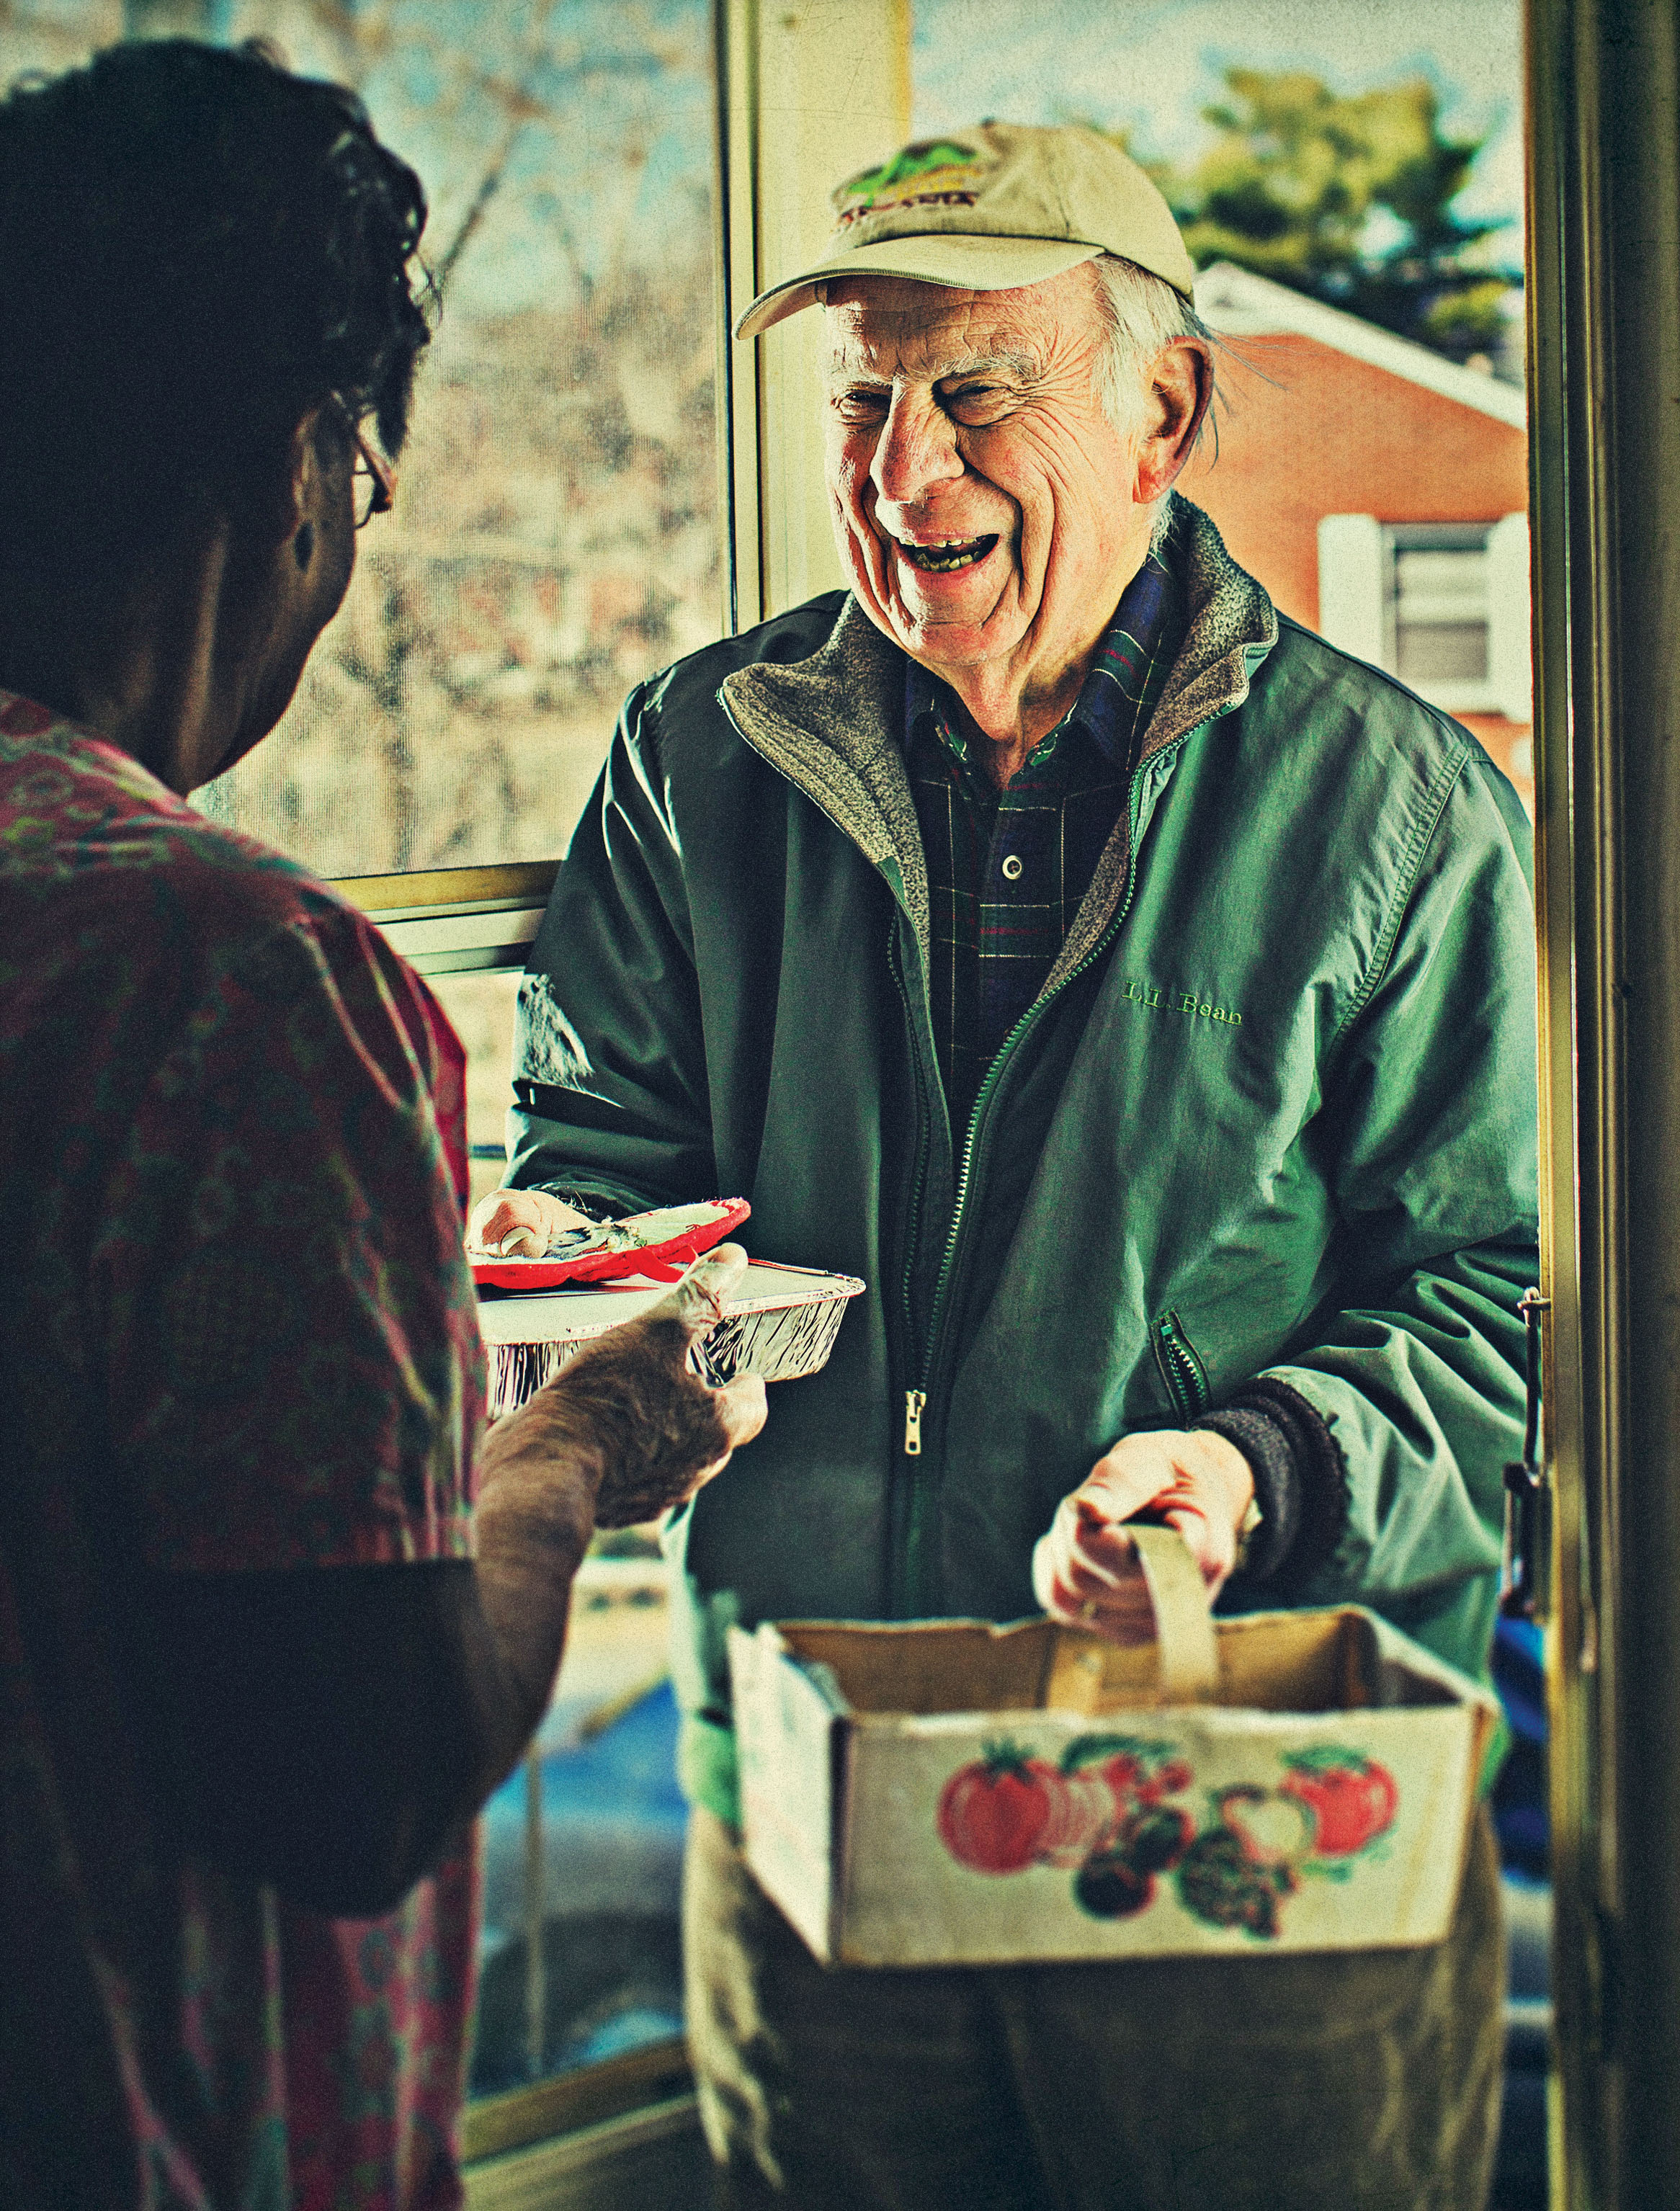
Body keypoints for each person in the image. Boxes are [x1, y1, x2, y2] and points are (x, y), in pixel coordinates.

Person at [477, 122, 1537, 2207]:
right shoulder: (692, 758)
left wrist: (1254, 1465)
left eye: (974, 392)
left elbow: (1490, 1300)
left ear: (1162, 411)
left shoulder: (1396, 807)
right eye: (864, 401)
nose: (900, 471)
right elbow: (604, 1152)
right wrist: (575, 1270)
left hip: (1232, 1833)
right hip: (818, 1806)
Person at [0, 40, 764, 2211]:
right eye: (372, 480)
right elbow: (344, 1775)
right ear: (303, 470)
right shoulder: (224, 974)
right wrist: (566, 1456)